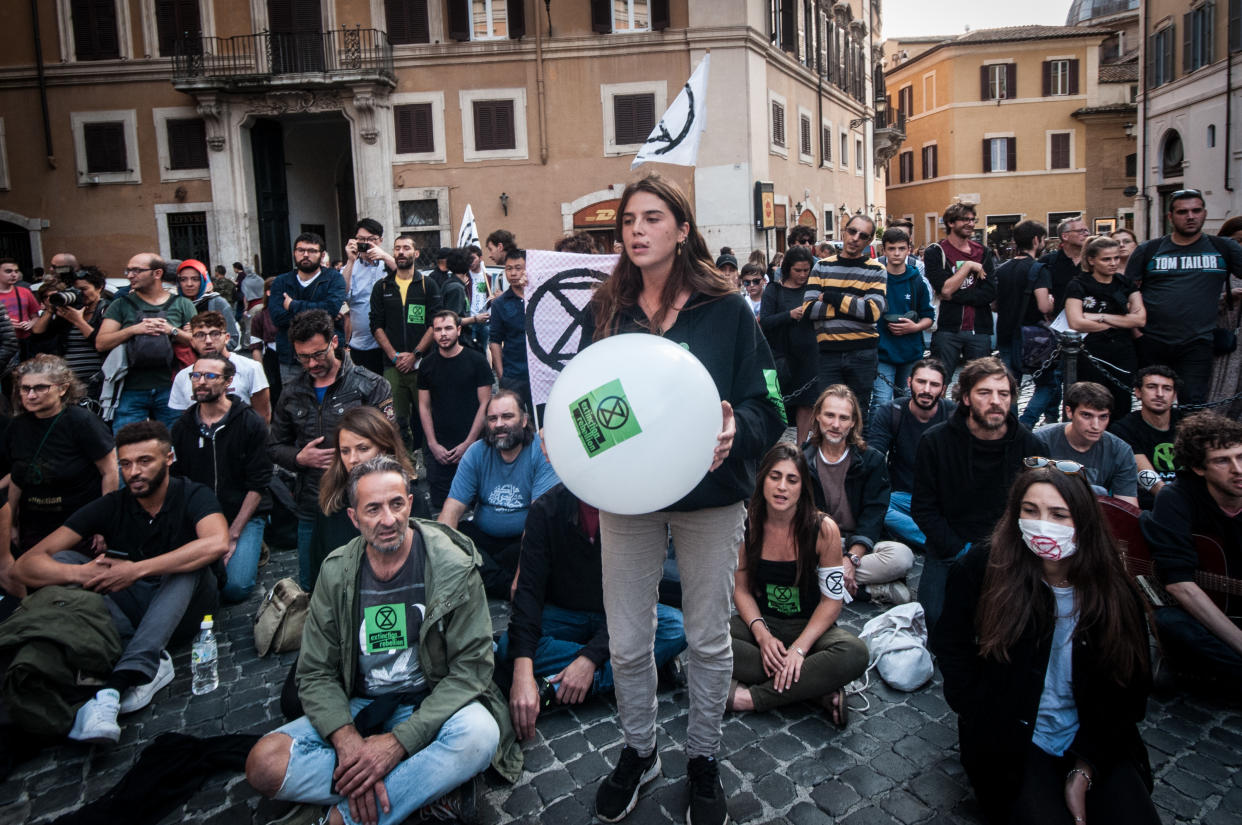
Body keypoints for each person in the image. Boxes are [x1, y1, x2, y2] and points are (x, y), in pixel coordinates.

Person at [583, 174, 785, 825]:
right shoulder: (610, 310)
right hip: (628, 497)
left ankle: (703, 755)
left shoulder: (727, 309)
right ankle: (641, 750)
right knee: (627, 638)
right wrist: (579, 440)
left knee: (706, 637)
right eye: (628, 221)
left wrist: (737, 428)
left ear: (682, 228)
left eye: (651, 217)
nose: (636, 230)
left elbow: (771, 405)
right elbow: (594, 405)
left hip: (711, 496)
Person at [244, 456, 522, 825]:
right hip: (361, 705)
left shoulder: (453, 566)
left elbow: (471, 670)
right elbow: (314, 672)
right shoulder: (336, 572)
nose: (388, 519)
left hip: (432, 703)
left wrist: (397, 744)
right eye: (373, 509)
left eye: (396, 504)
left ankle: (342, 818)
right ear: (354, 518)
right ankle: (424, 787)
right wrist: (347, 742)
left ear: (409, 502)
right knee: (263, 763)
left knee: (481, 735)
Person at [931, 462, 1158, 825]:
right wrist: (975, 710)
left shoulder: (1114, 592)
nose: (1042, 524)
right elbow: (951, 643)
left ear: (1082, 521)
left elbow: (1130, 689)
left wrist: (1087, 767)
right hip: (1009, 739)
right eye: (1030, 511)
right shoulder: (982, 568)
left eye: (1058, 514)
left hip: (1094, 736)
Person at [14, 421, 229, 743]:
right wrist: (84, 573)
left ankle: (117, 686)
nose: (134, 472)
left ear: (169, 458)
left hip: (189, 609)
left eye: (145, 461)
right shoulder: (113, 504)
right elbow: (26, 565)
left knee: (188, 566)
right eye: (125, 464)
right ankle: (149, 655)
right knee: (65, 561)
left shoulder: (192, 493)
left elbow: (216, 543)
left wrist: (136, 569)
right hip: (134, 609)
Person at [499, 483, 687, 740]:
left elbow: (637, 597)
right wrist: (522, 675)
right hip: (564, 614)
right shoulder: (546, 509)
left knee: (676, 627)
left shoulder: (634, 507)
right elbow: (528, 594)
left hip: (620, 614)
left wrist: (589, 660)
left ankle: (554, 686)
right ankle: (644, 664)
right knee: (511, 646)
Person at [727, 442, 867, 723]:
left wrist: (800, 650)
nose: (782, 487)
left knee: (855, 653)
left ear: (803, 486)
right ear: (763, 479)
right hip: (763, 624)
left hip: (811, 628)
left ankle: (750, 699)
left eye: (792, 480)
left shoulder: (823, 528)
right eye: (775, 477)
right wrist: (763, 636)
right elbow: (740, 590)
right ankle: (815, 690)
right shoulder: (746, 524)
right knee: (708, 640)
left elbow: (832, 601)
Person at [912, 357, 1041, 629]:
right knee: (936, 621)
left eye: (1003, 394)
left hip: (1009, 551)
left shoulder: (1030, 446)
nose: (996, 401)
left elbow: (1038, 510)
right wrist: (959, 550)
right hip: (951, 548)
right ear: (967, 397)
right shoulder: (935, 442)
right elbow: (924, 508)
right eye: (985, 392)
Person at [269, 310, 394, 589]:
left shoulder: (370, 385)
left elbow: (391, 445)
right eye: (303, 357)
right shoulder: (291, 392)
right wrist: (299, 458)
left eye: (318, 354)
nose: (311, 363)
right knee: (314, 585)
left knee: (368, 584)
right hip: (311, 504)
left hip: (360, 502)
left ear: (334, 342)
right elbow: (274, 445)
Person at [1142, 411, 1242, 685]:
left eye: (1241, 456)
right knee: (1171, 623)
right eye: (1223, 461)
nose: (1238, 469)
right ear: (1199, 468)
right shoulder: (1176, 498)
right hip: (1200, 602)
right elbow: (1179, 583)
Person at [437, 391, 558, 600]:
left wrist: (521, 576)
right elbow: (451, 510)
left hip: (523, 542)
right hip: (485, 542)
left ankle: (481, 580)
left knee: (549, 547)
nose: (499, 424)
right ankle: (506, 585)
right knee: (456, 539)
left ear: (524, 420)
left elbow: (538, 523)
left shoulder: (541, 450)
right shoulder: (476, 452)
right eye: (493, 419)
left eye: (507, 416)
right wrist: (438, 563)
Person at [170, 354, 271, 603]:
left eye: (210, 376)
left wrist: (233, 534)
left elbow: (258, 483)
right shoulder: (182, 427)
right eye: (196, 375)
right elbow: (177, 480)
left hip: (242, 515)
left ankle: (254, 546)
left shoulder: (250, 423)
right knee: (192, 580)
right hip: (201, 518)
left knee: (234, 587)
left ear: (228, 382)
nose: (200, 382)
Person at [1126, 189, 1242, 404]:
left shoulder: (1223, 248)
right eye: (1183, 212)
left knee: (1193, 403)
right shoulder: (1150, 250)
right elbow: (1126, 293)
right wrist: (1136, 333)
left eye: (1196, 210)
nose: (1190, 216)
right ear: (1171, 217)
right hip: (1153, 340)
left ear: (1204, 213)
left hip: (1197, 343)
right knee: (1155, 403)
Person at [802, 385, 914, 604]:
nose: (836, 424)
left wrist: (852, 558)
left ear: (853, 422)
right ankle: (866, 591)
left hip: (859, 545)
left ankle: (825, 583)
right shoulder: (802, 460)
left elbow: (874, 513)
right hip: (816, 545)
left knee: (901, 557)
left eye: (844, 418)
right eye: (830, 415)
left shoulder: (870, 460)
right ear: (817, 416)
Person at [5, 355, 117, 561]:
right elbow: (17, 477)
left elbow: (109, 471)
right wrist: (11, 524)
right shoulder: (17, 426)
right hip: (34, 526)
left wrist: (103, 524)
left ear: (63, 388)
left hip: (77, 526)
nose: (31, 395)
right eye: (25, 388)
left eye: (40, 388)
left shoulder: (81, 421)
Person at [309, 407, 421, 592]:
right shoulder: (330, 503)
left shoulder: (412, 501)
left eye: (362, 449)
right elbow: (319, 575)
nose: (353, 459)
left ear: (383, 448)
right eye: (345, 451)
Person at [96, 252, 197, 431]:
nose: (129, 275)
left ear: (157, 273)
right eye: (128, 270)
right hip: (131, 389)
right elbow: (101, 343)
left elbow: (198, 342)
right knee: (128, 445)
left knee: (177, 445)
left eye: (136, 270)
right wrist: (134, 330)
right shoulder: (120, 304)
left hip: (172, 387)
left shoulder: (182, 304)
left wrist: (171, 330)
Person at [801, 214, 887, 420]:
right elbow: (809, 310)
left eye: (863, 235)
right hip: (828, 353)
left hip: (863, 354)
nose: (856, 238)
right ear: (844, 231)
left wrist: (833, 297)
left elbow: (871, 312)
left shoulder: (877, 269)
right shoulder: (822, 267)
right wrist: (854, 304)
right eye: (852, 231)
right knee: (828, 414)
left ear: (869, 241)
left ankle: (856, 453)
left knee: (858, 416)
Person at [866, 358, 955, 548]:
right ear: (909, 382)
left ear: (943, 389)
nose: (926, 390)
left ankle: (930, 535)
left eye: (934, 384)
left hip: (943, 500)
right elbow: (874, 456)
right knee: (877, 506)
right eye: (921, 382)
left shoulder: (953, 416)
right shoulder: (892, 411)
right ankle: (936, 540)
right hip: (903, 498)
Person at [370, 233, 441, 459]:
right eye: (398, 248)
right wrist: (394, 356)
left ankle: (431, 459)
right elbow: (376, 325)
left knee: (428, 415)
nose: (401, 252)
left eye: (406, 248)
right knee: (397, 419)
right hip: (392, 365)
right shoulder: (382, 287)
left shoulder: (427, 285)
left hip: (424, 363)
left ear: (415, 253)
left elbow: (434, 322)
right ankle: (406, 462)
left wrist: (416, 355)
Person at [417, 310, 492, 511]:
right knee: (442, 508)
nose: (443, 334)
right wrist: (432, 444)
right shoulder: (427, 365)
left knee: (477, 507)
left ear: (458, 330)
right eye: (438, 329)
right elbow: (423, 406)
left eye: (448, 328)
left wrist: (468, 443)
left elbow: (485, 404)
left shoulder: (477, 361)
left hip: (474, 447)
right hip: (440, 450)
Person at [1064, 236, 1145, 419]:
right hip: (1091, 353)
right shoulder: (1079, 284)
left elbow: (1140, 320)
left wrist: (1101, 317)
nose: (1113, 263)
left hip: (1123, 353)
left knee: (1121, 404)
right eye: (1106, 259)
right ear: (1092, 260)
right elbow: (1076, 322)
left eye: (1116, 258)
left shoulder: (1125, 284)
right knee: (1090, 402)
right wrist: (1123, 320)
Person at [1035, 382, 1139, 507]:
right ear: (1069, 412)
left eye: (1103, 417)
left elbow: (1126, 506)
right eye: (1086, 415)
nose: (1095, 425)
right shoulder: (1040, 441)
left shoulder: (1120, 451)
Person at [993, 220, 1056, 425]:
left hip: (1005, 332)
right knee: (1047, 384)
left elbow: (994, 304)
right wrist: (1051, 302)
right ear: (1036, 240)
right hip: (1032, 335)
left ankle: (1010, 426)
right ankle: (1027, 422)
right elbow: (1044, 306)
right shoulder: (1038, 269)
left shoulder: (1002, 269)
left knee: (1010, 386)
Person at [924, 202, 997, 373]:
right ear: (950, 223)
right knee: (940, 381)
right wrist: (968, 266)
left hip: (979, 329)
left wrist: (955, 294)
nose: (971, 224)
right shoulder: (936, 252)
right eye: (965, 219)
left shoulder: (983, 252)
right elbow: (945, 289)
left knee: (980, 382)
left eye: (973, 220)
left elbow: (989, 293)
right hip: (946, 328)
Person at [268, 233, 348, 386]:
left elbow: (331, 308)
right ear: (294, 253)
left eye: (311, 251)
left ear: (322, 255)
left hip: (327, 357)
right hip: (292, 358)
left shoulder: (334, 278)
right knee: (294, 405)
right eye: (300, 250)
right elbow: (277, 317)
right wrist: (322, 315)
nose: (305, 255)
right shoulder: (281, 282)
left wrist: (293, 306)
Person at [759, 245, 818, 446]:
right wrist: (789, 315)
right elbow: (765, 322)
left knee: (806, 402)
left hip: (809, 354)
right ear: (787, 269)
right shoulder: (774, 290)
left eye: (806, 270)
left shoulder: (813, 290)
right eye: (797, 270)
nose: (802, 275)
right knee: (778, 404)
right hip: (782, 355)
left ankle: (801, 446)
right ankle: (774, 446)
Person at [168, 311, 271, 422]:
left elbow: (263, 415)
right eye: (200, 335)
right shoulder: (183, 376)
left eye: (215, 334)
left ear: (226, 338)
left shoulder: (250, 368)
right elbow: (187, 418)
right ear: (192, 341)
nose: (208, 341)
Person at [873, 227, 934, 412]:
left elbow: (929, 317)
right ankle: (878, 441)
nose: (896, 253)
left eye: (901, 248)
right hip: (883, 352)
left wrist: (914, 327)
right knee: (881, 403)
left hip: (911, 352)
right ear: (884, 250)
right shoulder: (876, 279)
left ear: (909, 250)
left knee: (908, 404)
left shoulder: (917, 281)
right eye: (892, 249)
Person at [1109, 365, 1182, 510]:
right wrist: (1181, 506)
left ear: (1174, 395)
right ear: (1137, 392)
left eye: (1167, 388)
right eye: (1152, 387)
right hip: (1149, 505)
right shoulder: (1124, 428)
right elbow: (1149, 480)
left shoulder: (1187, 423)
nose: (1160, 394)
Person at [29, 266, 110, 394]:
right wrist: (51, 310)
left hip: (97, 380)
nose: (79, 294)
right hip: (68, 381)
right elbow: (38, 335)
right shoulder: (69, 312)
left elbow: (103, 343)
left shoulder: (107, 310)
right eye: (75, 290)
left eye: (84, 289)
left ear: (99, 287)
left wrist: (78, 321)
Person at [341, 219, 395, 376]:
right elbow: (342, 294)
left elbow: (410, 277)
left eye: (371, 239)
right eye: (361, 239)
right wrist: (350, 261)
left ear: (380, 240)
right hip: (361, 346)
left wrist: (385, 256)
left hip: (389, 345)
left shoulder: (389, 264)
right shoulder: (350, 268)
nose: (366, 243)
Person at [489, 249, 533, 416]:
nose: (513, 273)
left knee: (543, 423)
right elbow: (495, 341)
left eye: (518, 268)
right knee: (514, 421)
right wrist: (502, 376)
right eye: (508, 269)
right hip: (514, 374)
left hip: (540, 374)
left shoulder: (541, 297)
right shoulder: (499, 304)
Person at [1208, 216, 1242, 416]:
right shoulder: (1215, 269)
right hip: (1224, 341)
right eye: (1237, 241)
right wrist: (1226, 298)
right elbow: (1198, 306)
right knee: (1220, 394)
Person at [176, 259, 240, 350]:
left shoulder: (217, 303)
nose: (189, 284)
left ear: (203, 280)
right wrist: (180, 333)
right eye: (183, 279)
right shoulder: (173, 303)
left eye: (195, 279)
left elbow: (232, 340)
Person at [438, 250, 491, 351]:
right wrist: (475, 319)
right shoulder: (456, 288)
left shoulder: (454, 284)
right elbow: (453, 319)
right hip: (459, 341)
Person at [0, 258, 41, 359]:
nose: (14, 274)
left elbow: (35, 316)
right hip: (3, 343)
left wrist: (29, 324)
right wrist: (6, 325)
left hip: (24, 341)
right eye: (8, 271)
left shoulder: (24, 292)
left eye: (16, 271)